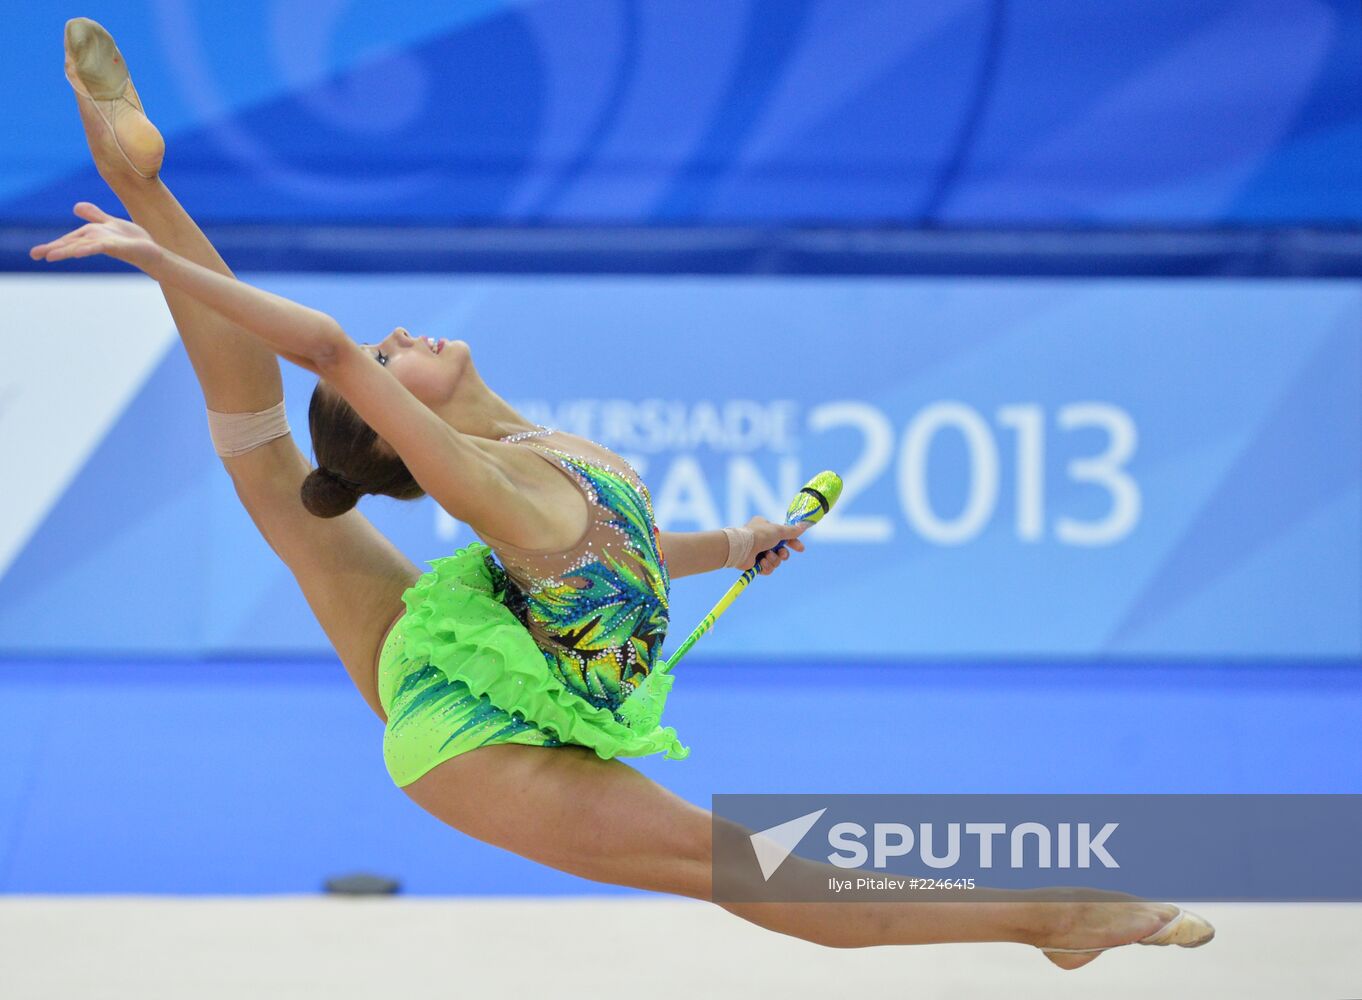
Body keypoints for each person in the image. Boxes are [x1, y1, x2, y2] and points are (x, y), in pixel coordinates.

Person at [32, 18, 1213, 969]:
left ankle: (132, 172)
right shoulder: (482, 475)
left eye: (395, 350)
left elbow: (619, 558)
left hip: (500, 650)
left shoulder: (528, 440)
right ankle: (1049, 919)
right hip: (472, 736)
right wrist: (158, 254)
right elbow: (331, 351)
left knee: (261, 465)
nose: (398, 337)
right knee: (738, 864)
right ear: (412, 423)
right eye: (396, 368)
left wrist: (738, 539)